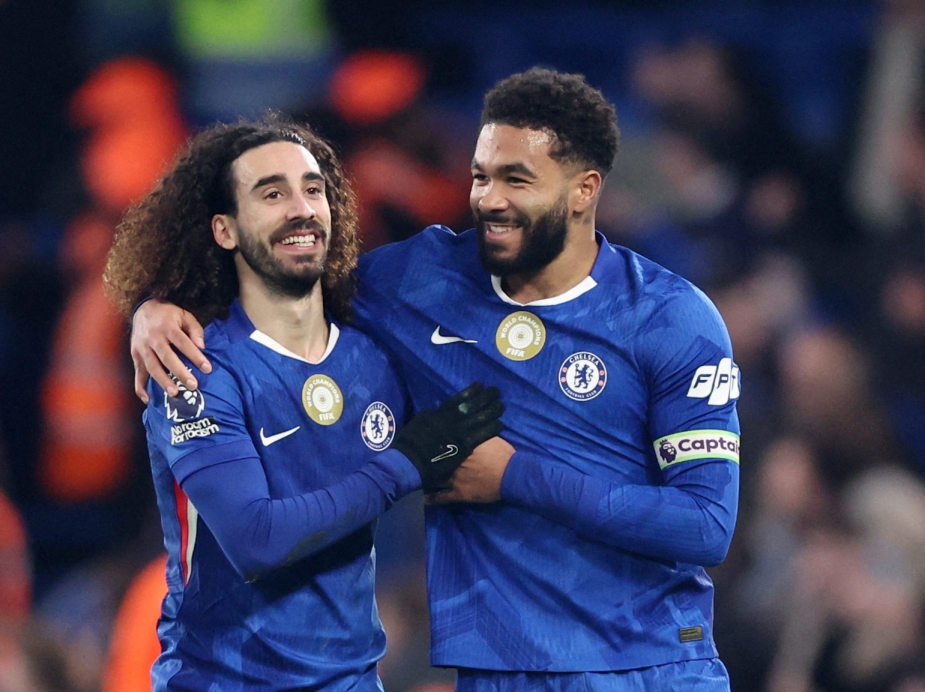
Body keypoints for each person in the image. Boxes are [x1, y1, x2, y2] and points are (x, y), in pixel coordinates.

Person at [132, 69, 742, 691]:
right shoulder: (421, 281)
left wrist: (513, 477)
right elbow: (283, 279)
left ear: (584, 190)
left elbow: (705, 525)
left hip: (647, 667)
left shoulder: (671, 318)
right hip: (496, 673)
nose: (489, 199)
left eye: (516, 180)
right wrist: (156, 307)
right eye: (481, 176)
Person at [103, 118, 506, 691]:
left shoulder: (377, 354)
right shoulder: (194, 369)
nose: (301, 208)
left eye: (313, 189)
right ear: (225, 230)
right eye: (272, 193)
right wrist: (405, 465)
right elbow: (256, 538)